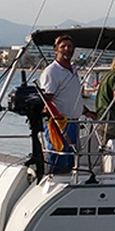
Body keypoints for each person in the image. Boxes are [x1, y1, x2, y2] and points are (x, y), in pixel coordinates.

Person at [39, 35, 95, 170]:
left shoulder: (73, 70)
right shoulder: (52, 72)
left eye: (69, 47)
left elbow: (73, 97)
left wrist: (87, 112)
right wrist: (54, 120)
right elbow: (47, 100)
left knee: (70, 162)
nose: (67, 49)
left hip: (74, 123)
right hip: (59, 123)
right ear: (56, 50)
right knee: (58, 158)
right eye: (63, 46)